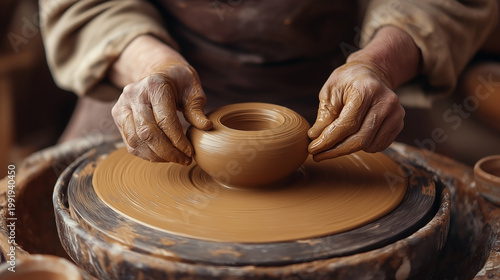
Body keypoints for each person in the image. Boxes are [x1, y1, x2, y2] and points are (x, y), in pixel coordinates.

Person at [40, 0, 497, 165]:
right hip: (158, 90)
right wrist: (151, 66)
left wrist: (378, 65)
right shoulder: (151, 77)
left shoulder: (371, 77)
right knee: (42, 228)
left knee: (437, 232)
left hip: (354, 96)